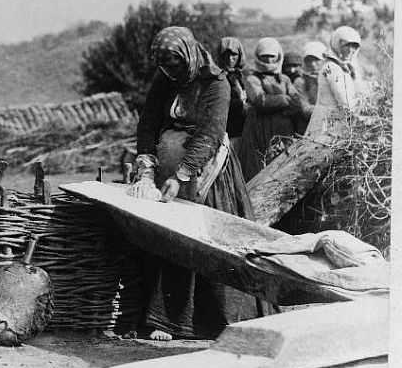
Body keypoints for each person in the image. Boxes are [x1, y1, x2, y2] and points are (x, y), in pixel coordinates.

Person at [127, 26, 267, 341]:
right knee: (169, 234)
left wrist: (183, 175)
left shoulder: (216, 82)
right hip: (167, 164)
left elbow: (211, 132)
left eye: (177, 65)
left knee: (206, 237)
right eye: (166, 66)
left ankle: (217, 321)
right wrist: (147, 168)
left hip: (207, 169)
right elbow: (148, 122)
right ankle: (168, 320)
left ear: (190, 55)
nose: (172, 71)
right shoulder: (165, 78)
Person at [237, 37, 305, 180]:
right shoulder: (252, 78)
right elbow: (260, 100)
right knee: (257, 168)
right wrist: (284, 99)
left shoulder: (284, 79)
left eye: (272, 56)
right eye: (264, 56)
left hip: (283, 128)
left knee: (283, 165)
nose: (268, 60)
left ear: (278, 57)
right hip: (259, 129)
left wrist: (277, 106)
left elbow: (297, 104)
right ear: (258, 57)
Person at [304, 26, 361, 140]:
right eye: (347, 45)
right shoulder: (332, 68)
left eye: (354, 46)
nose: (351, 50)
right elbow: (345, 102)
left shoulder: (344, 66)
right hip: (327, 123)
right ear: (337, 45)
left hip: (335, 120)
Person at [216, 37, 248, 151]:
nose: (230, 59)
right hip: (228, 129)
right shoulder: (218, 77)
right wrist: (242, 107)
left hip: (243, 127)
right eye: (226, 55)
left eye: (234, 54)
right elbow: (222, 101)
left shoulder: (240, 75)